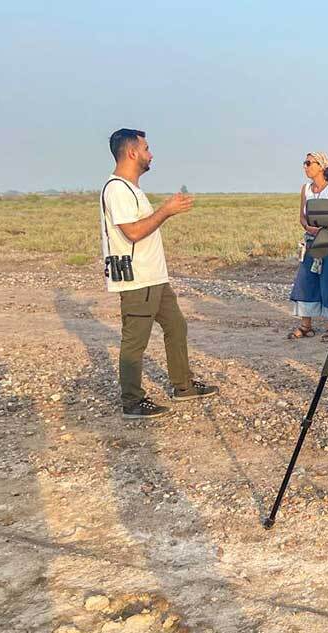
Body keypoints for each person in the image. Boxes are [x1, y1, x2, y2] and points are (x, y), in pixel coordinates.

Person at [100, 129, 219, 419]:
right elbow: (133, 232)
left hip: (154, 277)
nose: (150, 154)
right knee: (135, 341)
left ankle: (183, 385)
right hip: (138, 279)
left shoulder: (131, 188)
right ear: (132, 153)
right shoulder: (117, 189)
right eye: (146, 148)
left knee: (176, 325)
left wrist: (167, 210)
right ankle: (132, 401)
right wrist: (166, 211)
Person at [288, 152, 328, 342]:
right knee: (306, 280)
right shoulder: (306, 189)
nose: (305, 166)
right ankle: (306, 324)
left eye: (308, 163)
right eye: (305, 163)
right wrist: (308, 227)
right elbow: (302, 217)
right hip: (310, 241)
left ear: (321, 166)